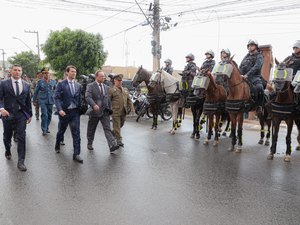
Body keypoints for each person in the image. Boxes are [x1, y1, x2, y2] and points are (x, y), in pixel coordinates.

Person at [0, 64, 32, 171]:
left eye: (19, 70)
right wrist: (2, 109)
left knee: (21, 137)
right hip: (8, 114)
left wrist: (29, 114)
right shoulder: (3, 83)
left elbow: (28, 101)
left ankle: (21, 162)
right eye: (15, 70)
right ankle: (8, 150)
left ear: (21, 72)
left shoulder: (26, 85)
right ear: (11, 71)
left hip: (21, 115)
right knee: (7, 136)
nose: (17, 72)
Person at [54, 65, 83, 163]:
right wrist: (59, 109)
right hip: (64, 112)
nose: (74, 73)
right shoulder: (61, 84)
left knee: (76, 133)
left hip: (75, 112)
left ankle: (76, 154)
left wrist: (81, 108)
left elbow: (79, 98)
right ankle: (57, 144)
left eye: (75, 72)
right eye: (72, 71)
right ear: (67, 73)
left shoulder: (78, 85)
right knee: (61, 131)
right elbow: (56, 97)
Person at [85, 70, 120, 153]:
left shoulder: (106, 87)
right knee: (91, 128)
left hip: (105, 112)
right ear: (97, 77)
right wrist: (93, 105)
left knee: (107, 128)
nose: (103, 78)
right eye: (101, 76)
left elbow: (109, 99)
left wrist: (110, 108)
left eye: (104, 76)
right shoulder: (90, 86)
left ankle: (112, 145)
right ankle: (90, 143)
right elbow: (88, 97)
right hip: (95, 111)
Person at [109, 74, 134, 147]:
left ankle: (112, 133)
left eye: (121, 81)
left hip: (123, 111)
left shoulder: (125, 90)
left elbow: (129, 100)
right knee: (117, 126)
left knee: (121, 125)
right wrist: (109, 110)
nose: (120, 82)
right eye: (118, 81)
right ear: (115, 81)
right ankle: (119, 140)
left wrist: (132, 108)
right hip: (115, 111)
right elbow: (108, 101)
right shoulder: (111, 90)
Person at [239, 39, 264, 113]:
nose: (250, 47)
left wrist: (247, 75)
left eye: (252, 45)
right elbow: (241, 66)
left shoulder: (259, 56)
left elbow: (257, 67)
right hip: (243, 77)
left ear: (256, 47)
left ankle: (259, 106)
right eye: (249, 46)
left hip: (254, 77)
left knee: (260, 88)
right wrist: (239, 74)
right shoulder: (246, 56)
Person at [32, 67, 57, 135]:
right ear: (43, 74)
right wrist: (33, 100)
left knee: (49, 115)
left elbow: (56, 91)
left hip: (50, 101)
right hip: (42, 100)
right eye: (44, 73)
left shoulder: (53, 82)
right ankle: (44, 129)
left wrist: (56, 99)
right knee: (44, 114)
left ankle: (46, 127)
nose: (46, 74)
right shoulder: (40, 82)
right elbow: (36, 91)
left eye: (47, 73)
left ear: (50, 74)